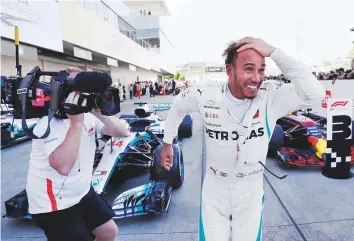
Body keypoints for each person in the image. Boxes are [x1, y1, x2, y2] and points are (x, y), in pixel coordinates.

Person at [159, 37, 325, 241]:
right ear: (229, 71)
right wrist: (167, 143)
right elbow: (178, 106)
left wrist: (274, 52)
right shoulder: (205, 95)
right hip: (215, 188)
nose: (257, 78)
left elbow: (316, 95)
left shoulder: (271, 97)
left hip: (251, 190)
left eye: (261, 70)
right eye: (248, 69)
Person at [26, 67, 130, 241]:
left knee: (108, 232)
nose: (81, 92)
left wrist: (98, 112)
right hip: (54, 203)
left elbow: (121, 131)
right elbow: (63, 166)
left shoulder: (87, 116)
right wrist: (76, 124)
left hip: (81, 192)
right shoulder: (48, 124)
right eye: (75, 87)